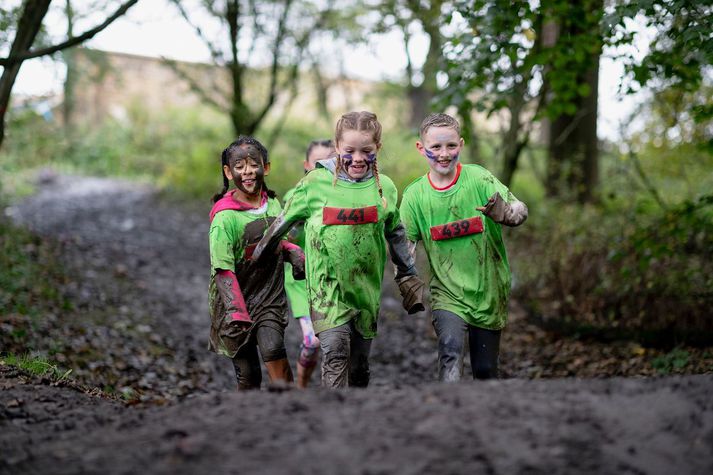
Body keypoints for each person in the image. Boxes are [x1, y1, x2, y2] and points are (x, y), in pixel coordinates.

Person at [252, 111, 425, 389]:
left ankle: (355, 418)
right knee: (335, 352)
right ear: (337, 147)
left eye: (366, 151)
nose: (357, 158)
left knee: (358, 367)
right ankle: (333, 419)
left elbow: (395, 231)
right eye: (349, 151)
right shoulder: (314, 184)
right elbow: (282, 224)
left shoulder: (385, 188)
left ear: (377, 148)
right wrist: (259, 256)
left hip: (365, 290)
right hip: (325, 289)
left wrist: (407, 273)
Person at [399, 113, 528, 382]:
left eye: (451, 146)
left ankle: (485, 420)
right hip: (447, 294)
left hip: (488, 290)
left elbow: (520, 209)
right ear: (421, 148)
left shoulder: (479, 179)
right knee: (450, 353)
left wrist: (506, 213)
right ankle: (452, 418)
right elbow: (405, 247)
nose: (444, 154)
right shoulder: (414, 196)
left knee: (485, 371)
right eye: (436, 147)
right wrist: (406, 279)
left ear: (461, 144)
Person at [208, 136, 305, 390]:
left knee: (274, 347)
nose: (248, 172)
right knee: (249, 375)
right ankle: (249, 419)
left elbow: (277, 241)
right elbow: (223, 269)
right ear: (228, 172)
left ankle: (289, 408)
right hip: (234, 302)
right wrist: (236, 310)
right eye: (239, 167)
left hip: (268, 297)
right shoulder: (225, 218)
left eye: (253, 165)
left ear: (266, 167)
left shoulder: (273, 204)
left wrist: (293, 252)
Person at [283, 139, 335, 388]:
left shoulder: (344, 194)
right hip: (302, 281)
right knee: (313, 340)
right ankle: (302, 381)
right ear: (306, 166)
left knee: (338, 338)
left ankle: (334, 388)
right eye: (318, 163)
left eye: (330, 161)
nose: (324, 167)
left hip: (335, 278)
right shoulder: (296, 196)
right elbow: (286, 236)